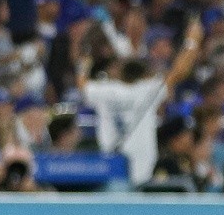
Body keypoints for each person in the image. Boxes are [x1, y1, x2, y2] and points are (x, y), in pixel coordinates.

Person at [80, 16, 204, 183]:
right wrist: (193, 40)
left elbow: (81, 82)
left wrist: (86, 56)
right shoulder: (147, 89)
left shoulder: (104, 90)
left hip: (110, 169)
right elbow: (180, 70)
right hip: (142, 171)